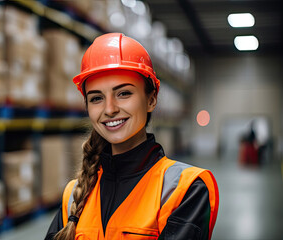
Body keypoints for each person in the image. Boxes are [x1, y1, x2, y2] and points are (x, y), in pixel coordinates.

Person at [45, 33, 219, 240]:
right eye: (96, 98)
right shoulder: (73, 197)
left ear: (151, 100)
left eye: (124, 93)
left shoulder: (185, 188)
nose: (109, 109)